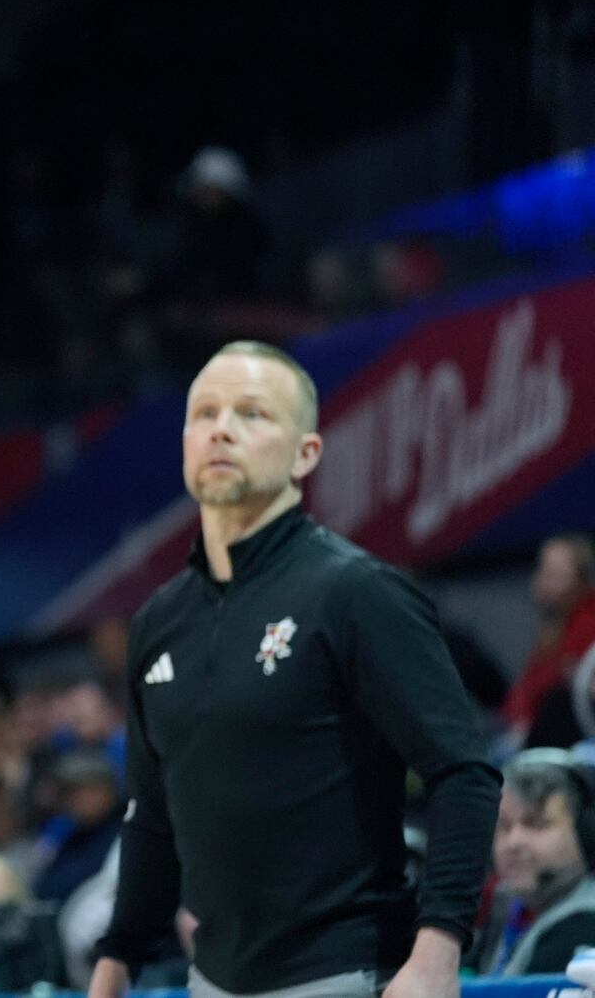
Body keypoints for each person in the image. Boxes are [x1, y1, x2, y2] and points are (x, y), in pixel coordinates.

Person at [87, 341, 501, 998]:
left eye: (253, 413)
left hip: (346, 971)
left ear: (306, 453)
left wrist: (437, 951)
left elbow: (464, 771)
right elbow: (152, 813)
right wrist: (116, 961)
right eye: (205, 412)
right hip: (212, 981)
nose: (222, 427)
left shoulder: (357, 593)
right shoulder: (157, 621)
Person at [471, 748, 595, 975]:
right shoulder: (505, 905)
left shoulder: (584, 925)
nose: (513, 842)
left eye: (537, 824)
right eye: (504, 826)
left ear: (586, 833)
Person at [499, 534, 595, 748]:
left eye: (554, 575)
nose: (541, 583)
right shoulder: (552, 629)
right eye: (542, 571)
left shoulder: (589, 625)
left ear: (580, 579)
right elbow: (520, 700)